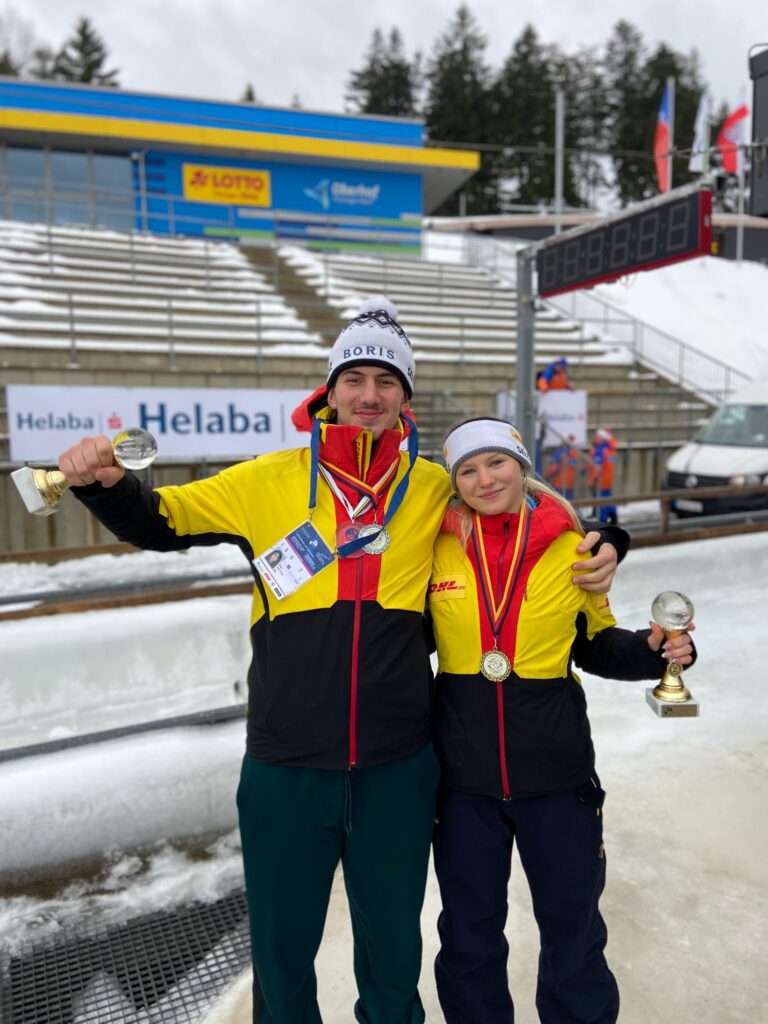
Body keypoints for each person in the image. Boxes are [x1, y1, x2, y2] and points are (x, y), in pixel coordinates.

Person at [57, 299, 622, 1024]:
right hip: (287, 765)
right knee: (283, 960)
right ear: (328, 389)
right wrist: (99, 482)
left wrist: (611, 538)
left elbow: (527, 503)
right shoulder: (264, 479)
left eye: (387, 382)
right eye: (354, 377)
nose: (369, 395)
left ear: (404, 397)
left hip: (397, 767)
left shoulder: (430, 485)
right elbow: (162, 520)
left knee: (393, 961)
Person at [428, 417, 696, 1024]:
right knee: (468, 939)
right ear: (455, 483)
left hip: (558, 780)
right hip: (463, 784)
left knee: (573, 935)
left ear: (522, 466)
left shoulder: (572, 546)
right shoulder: (434, 545)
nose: (483, 478)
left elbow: (597, 645)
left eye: (496, 462)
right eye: (467, 470)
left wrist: (658, 648)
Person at [587, 426, 619, 524]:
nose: (595, 437)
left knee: (600, 501)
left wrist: (592, 480)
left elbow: (598, 468)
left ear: (602, 437)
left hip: (600, 480)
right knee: (608, 497)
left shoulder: (600, 450)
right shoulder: (612, 449)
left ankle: (602, 521)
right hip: (607, 479)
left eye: (597, 436)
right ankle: (613, 516)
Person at [544, 433, 579, 500]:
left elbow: (554, 467)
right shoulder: (572, 452)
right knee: (567, 502)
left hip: (561, 482)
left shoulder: (562, 452)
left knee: (560, 501)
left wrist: (547, 475)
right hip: (566, 482)